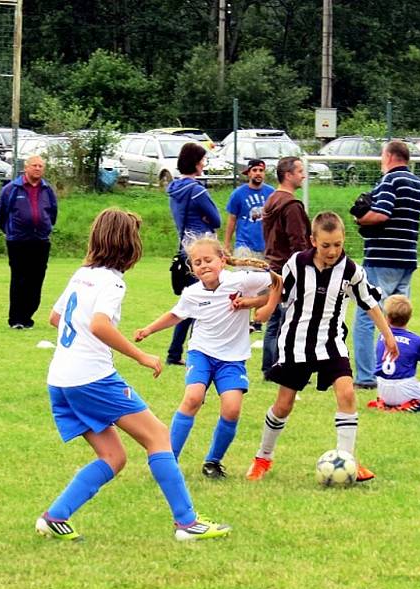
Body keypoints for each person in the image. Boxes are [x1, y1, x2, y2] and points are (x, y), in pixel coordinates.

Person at [36, 208, 231, 542]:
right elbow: (98, 324)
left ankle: (55, 516)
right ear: (128, 244)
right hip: (91, 379)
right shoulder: (112, 280)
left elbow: (56, 318)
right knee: (158, 436)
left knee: (113, 456)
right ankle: (186, 523)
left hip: (61, 379)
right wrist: (141, 355)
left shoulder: (82, 274)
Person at [245, 211, 399, 483]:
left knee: (347, 394)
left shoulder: (351, 270)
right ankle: (262, 458)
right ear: (313, 240)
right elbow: (276, 292)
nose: (332, 251)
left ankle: (347, 459)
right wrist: (252, 306)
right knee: (284, 404)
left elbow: (369, 303)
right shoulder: (297, 264)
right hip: (296, 343)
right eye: (326, 245)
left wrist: (388, 335)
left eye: (337, 244)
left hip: (331, 342)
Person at [134, 235, 281, 479]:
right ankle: (168, 460)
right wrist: (148, 329)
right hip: (201, 352)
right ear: (192, 268)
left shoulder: (240, 280)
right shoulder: (192, 293)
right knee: (193, 397)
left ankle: (213, 462)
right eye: (197, 262)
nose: (203, 265)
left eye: (208, 260)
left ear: (222, 261)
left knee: (232, 409)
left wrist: (251, 303)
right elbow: (175, 315)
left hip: (232, 359)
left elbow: (277, 282)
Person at [352, 140, 420, 389]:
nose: (382, 161)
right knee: (396, 317)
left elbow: (382, 213)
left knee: (366, 314)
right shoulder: (416, 184)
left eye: (383, 156)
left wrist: (359, 218)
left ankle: (366, 377)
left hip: (382, 258)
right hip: (407, 259)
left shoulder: (390, 181)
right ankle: (394, 371)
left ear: (391, 156)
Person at [166, 142, 222, 366]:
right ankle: (193, 350)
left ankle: (175, 352)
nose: (204, 163)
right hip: (203, 250)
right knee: (203, 300)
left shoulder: (173, 189)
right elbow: (216, 219)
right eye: (202, 159)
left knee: (190, 301)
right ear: (196, 162)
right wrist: (207, 220)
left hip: (185, 247)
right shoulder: (197, 190)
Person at [260, 156, 312, 378]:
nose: (304, 175)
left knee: (275, 320)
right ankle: (281, 367)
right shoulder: (291, 205)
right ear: (288, 175)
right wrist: (307, 267)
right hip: (288, 268)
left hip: (272, 265)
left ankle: (269, 366)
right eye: (300, 171)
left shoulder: (271, 199)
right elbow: (298, 242)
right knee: (288, 320)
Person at [0, 155, 58, 329]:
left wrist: (44, 228)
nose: (38, 168)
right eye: (34, 165)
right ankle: (16, 319)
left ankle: (28, 316)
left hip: (41, 241)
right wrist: (11, 231)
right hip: (18, 242)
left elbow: (52, 214)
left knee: (36, 280)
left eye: (41, 166)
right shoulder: (11, 189)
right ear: (26, 168)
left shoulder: (47, 190)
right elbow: (0, 215)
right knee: (19, 279)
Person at [224, 158, 274, 332]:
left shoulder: (271, 193)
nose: (258, 173)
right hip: (244, 244)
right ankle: (240, 318)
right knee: (243, 283)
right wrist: (227, 244)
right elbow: (231, 219)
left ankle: (257, 321)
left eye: (261, 170)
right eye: (255, 170)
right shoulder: (238, 194)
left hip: (265, 246)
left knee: (264, 284)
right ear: (249, 173)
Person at [373, 295, 420, 411]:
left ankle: (389, 404)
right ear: (409, 317)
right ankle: (410, 405)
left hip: (382, 390)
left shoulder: (382, 337)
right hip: (405, 388)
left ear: (387, 318)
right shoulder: (417, 341)